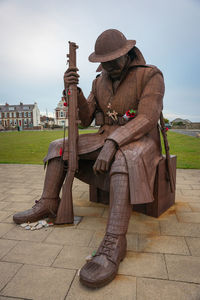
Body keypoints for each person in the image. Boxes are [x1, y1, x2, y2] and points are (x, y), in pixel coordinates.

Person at [13, 29, 165, 288]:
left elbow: (148, 117)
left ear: (127, 54)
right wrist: (73, 90)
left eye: (112, 60)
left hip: (141, 140)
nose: (107, 66)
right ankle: (50, 203)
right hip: (104, 135)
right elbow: (84, 118)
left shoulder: (150, 75)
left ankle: (114, 239)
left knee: (123, 159)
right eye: (102, 61)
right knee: (57, 146)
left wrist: (114, 142)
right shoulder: (99, 81)